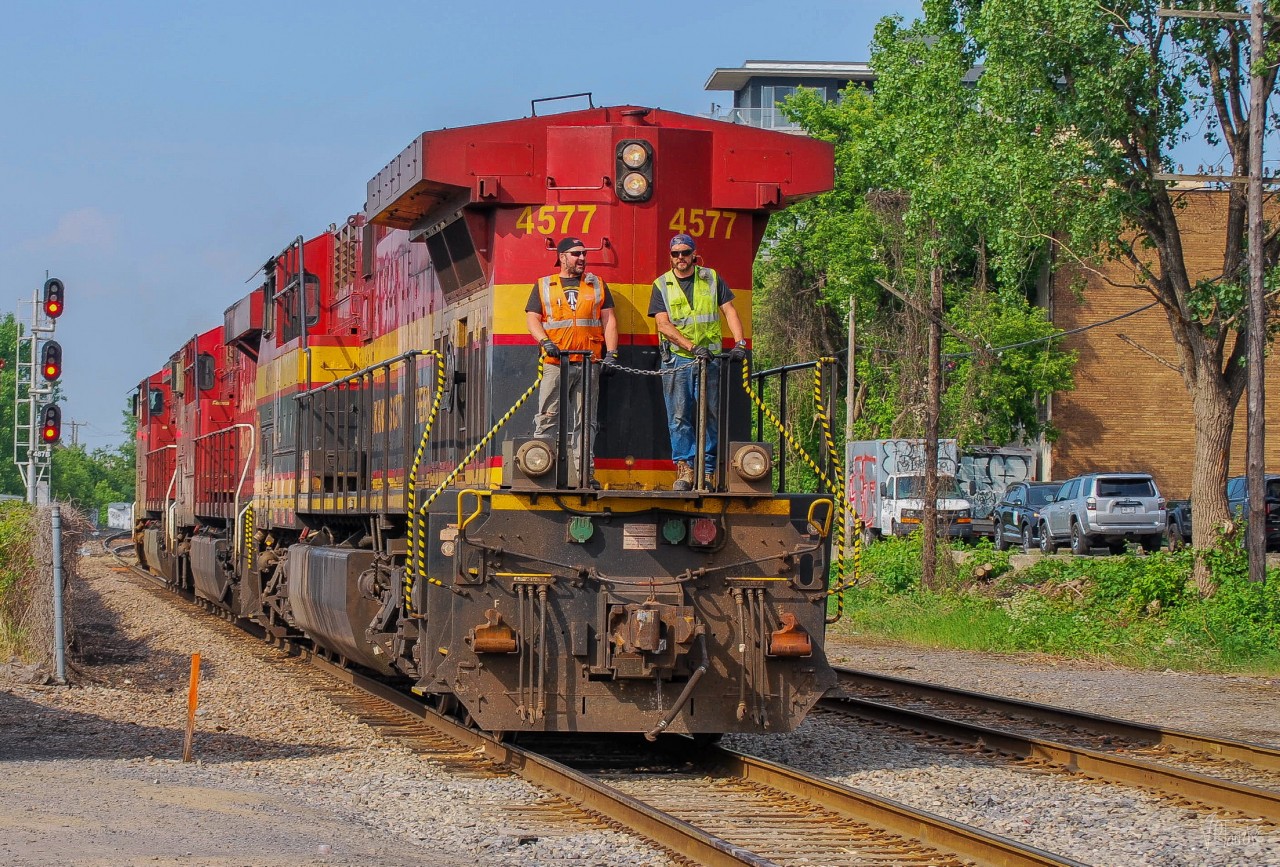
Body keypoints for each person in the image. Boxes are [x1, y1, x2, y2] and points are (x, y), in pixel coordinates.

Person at [648, 233, 747, 491]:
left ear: (694, 254)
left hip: (709, 362)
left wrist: (740, 343)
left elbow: (730, 311)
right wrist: (692, 347)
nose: (680, 257)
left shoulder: (711, 278)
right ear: (670, 257)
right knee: (679, 417)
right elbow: (663, 324)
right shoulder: (662, 284)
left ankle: (708, 471)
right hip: (677, 361)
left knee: (710, 415)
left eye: (685, 252)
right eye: (675, 253)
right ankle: (685, 469)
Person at [526, 237, 618, 484]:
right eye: (576, 254)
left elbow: (608, 320)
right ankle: (541, 471)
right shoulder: (544, 285)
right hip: (555, 364)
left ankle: (584, 475)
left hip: (589, 364)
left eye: (584, 254)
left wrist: (612, 353)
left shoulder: (597, 285)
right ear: (562, 257)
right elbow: (533, 318)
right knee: (547, 417)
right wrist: (545, 342)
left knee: (586, 421)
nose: (582, 258)